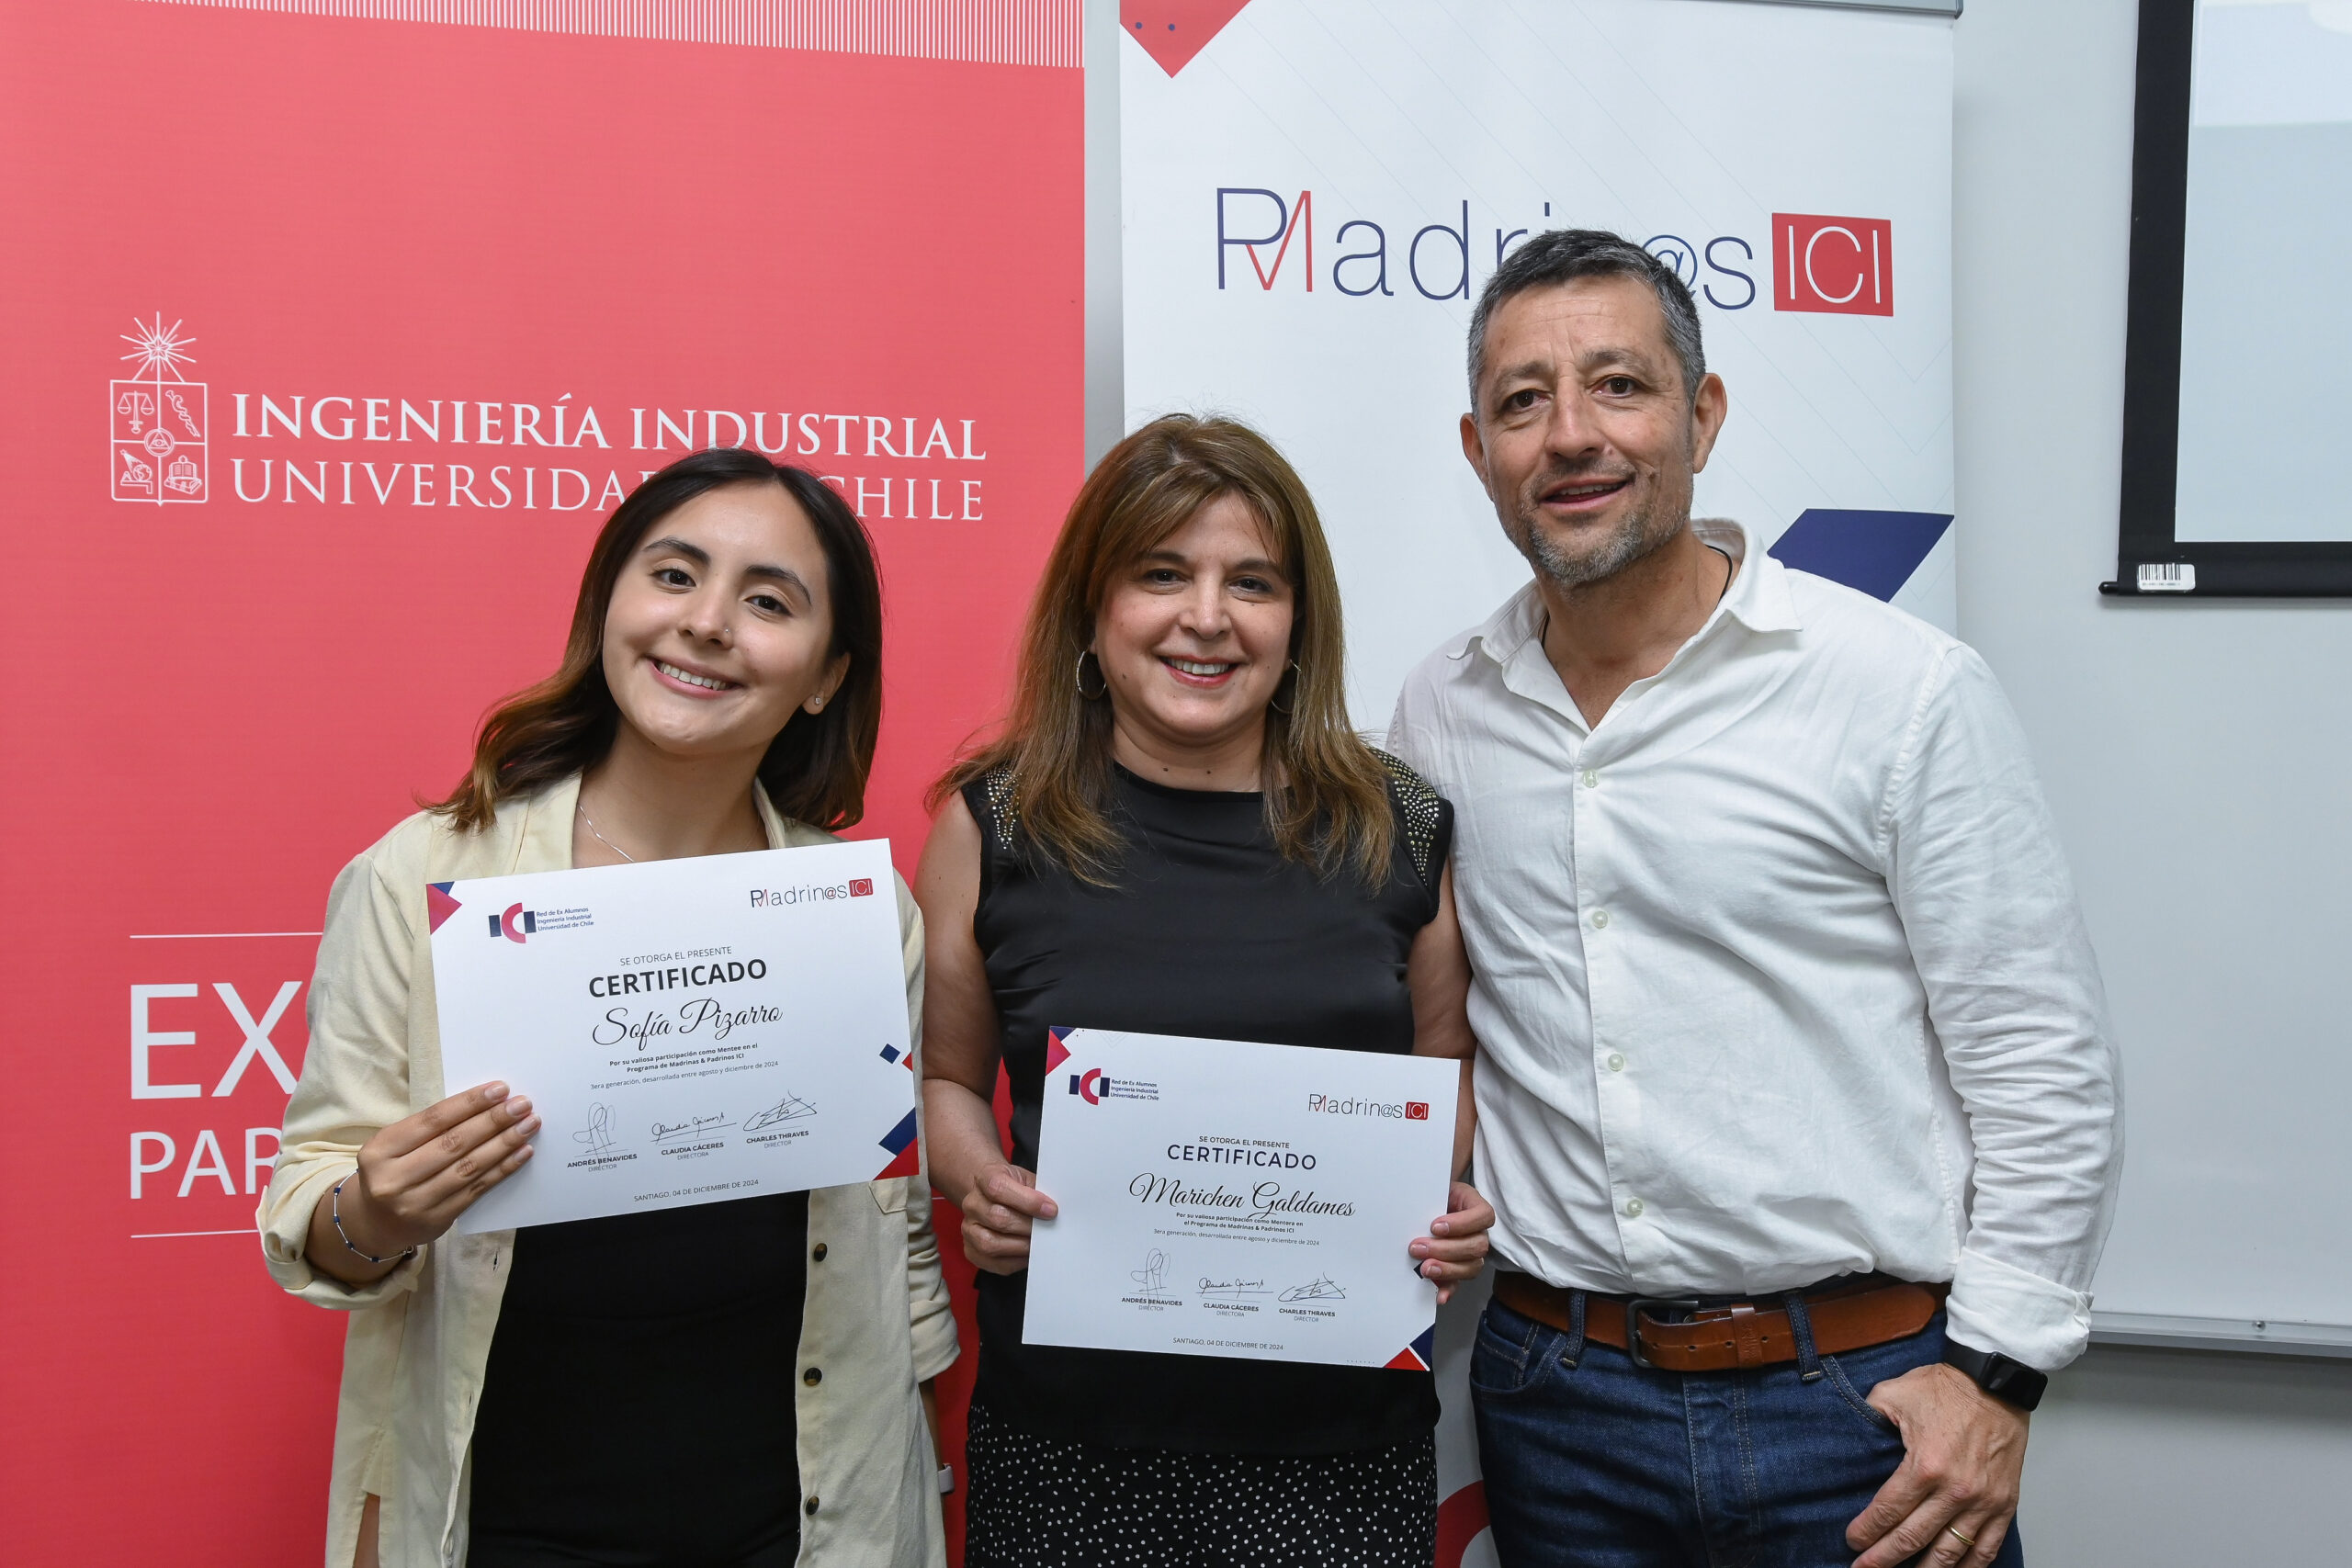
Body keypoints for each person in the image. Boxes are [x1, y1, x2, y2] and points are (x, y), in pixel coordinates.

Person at [1386, 230, 2121, 1568]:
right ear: (1477, 447)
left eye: (1619, 385)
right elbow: (1441, 1027)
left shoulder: (1898, 688)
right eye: (1522, 401)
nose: (1571, 434)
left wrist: (1998, 1378)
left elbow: (2039, 1057)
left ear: (1703, 414)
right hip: (1558, 1405)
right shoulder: (1443, 707)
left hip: (1861, 1403)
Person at [257, 448, 956, 1568]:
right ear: (607, 610)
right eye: (674, 576)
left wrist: (916, 1475)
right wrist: (376, 1214)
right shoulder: (424, 876)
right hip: (510, 1521)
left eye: (768, 602)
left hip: (802, 1520)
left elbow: (894, 1222)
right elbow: (315, 1202)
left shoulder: (859, 915)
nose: (707, 623)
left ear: (826, 675)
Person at [915, 413, 1496, 1567]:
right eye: (1162, 574)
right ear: (1093, 607)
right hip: (1069, 1448)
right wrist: (981, 1181)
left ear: (1298, 621)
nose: (1208, 617)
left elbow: (1445, 1066)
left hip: (1338, 1449)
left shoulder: (1396, 822)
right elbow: (943, 1079)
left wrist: (1437, 1199)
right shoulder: (996, 824)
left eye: (1253, 583)